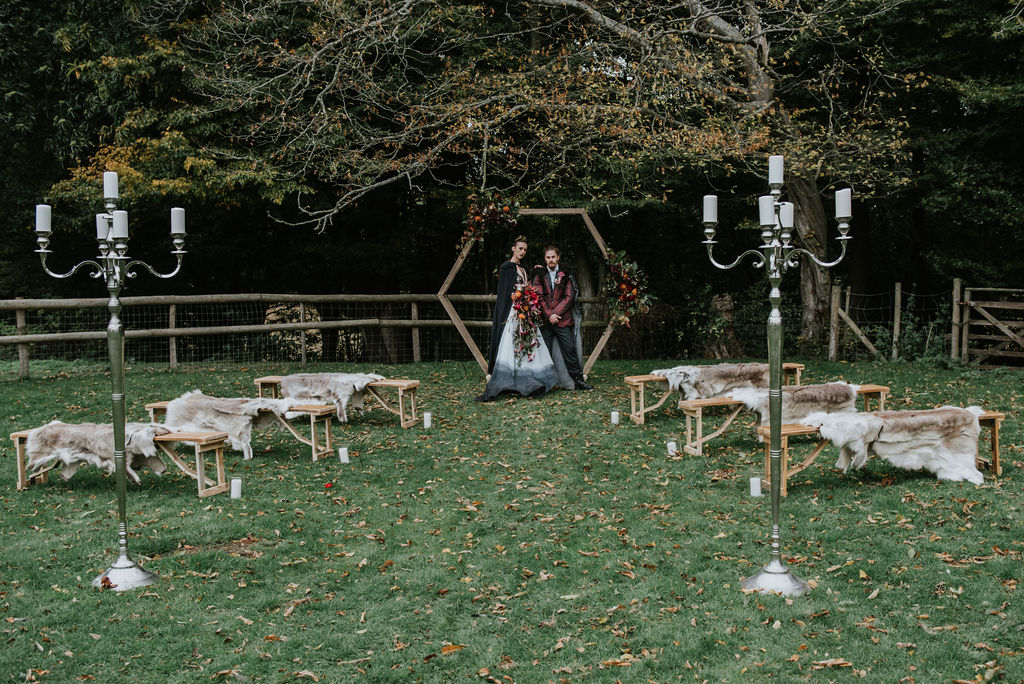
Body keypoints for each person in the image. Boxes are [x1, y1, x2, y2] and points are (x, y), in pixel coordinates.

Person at [476, 236, 559, 402]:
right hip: (513, 312)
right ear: (513, 248)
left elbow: (527, 285)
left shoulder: (523, 268)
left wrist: (528, 293)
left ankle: (526, 375)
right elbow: (506, 293)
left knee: (526, 343)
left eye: (525, 250)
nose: (522, 251)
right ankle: (509, 378)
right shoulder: (507, 268)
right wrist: (517, 298)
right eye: (520, 248)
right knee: (511, 344)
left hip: (525, 310)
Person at [533, 245, 593, 391]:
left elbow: (569, 297)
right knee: (543, 352)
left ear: (558, 257)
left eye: (553, 257)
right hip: (545, 320)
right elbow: (538, 297)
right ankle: (542, 384)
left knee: (570, 350)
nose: (551, 260)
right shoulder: (539, 274)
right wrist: (549, 315)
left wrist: (555, 314)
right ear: (545, 259)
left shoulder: (567, 274)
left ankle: (578, 380)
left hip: (562, 320)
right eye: (548, 257)